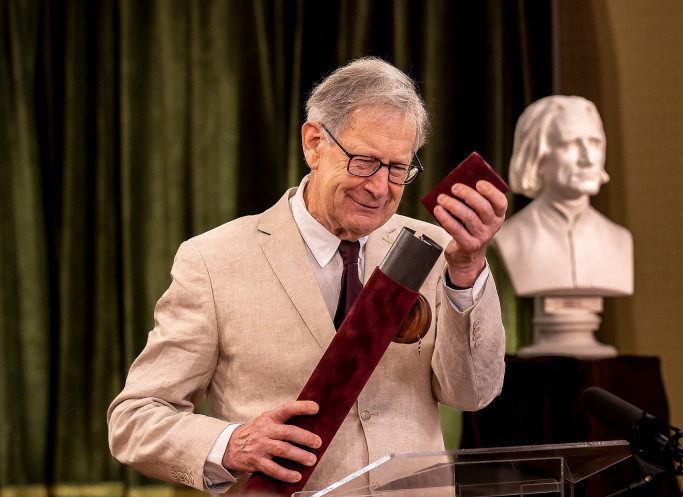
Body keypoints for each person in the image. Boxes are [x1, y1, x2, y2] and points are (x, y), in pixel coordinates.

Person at [107, 57, 508, 496]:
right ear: (314, 144)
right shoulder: (212, 259)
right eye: (365, 162)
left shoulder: (438, 251)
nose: (379, 187)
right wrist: (231, 444)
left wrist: (467, 271)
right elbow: (135, 419)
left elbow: (473, 396)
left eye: (398, 169)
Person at [494, 95, 633, 297]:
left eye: (594, 143)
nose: (588, 159)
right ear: (537, 155)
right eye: (570, 144)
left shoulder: (620, 239)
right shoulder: (509, 239)